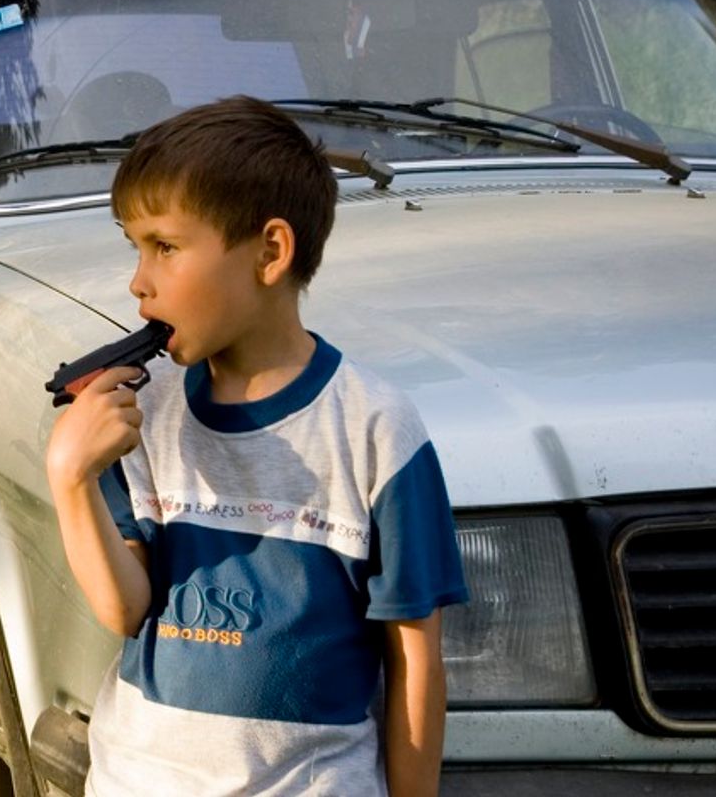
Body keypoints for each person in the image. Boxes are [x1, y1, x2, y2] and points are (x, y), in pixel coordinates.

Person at [46, 96, 468, 797]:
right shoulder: (140, 415)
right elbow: (125, 610)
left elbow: (415, 662)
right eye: (135, 247)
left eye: (166, 247)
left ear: (270, 252)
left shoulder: (374, 429)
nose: (138, 281)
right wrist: (71, 479)